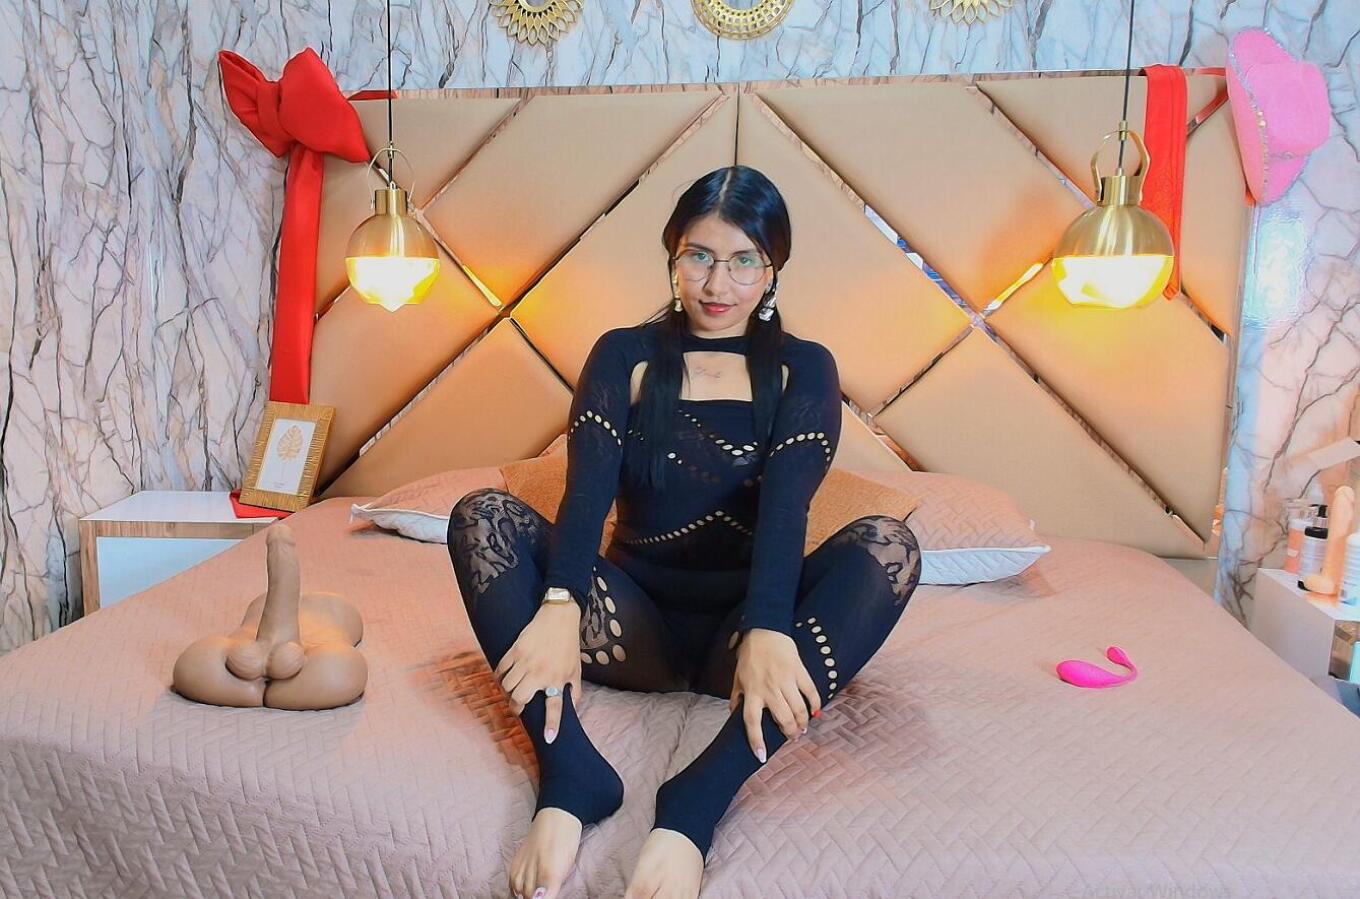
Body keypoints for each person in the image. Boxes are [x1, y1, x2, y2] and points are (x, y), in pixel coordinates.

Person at [446, 165, 922, 899]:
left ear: (773, 268)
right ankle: (570, 775)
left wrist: (768, 625)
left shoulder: (804, 368)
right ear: (672, 256)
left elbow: (788, 509)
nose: (718, 284)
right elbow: (585, 491)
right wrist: (561, 604)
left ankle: (696, 801)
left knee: (889, 546)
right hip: (626, 628)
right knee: (482, 515)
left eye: (743, 261)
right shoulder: (625, 354)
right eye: (698, 255)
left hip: (743, 641)